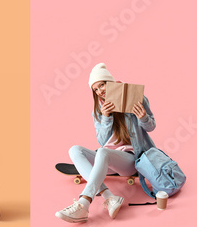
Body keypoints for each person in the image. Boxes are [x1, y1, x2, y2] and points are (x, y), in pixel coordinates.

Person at [55, 63, 156, 223]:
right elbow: (102, 141)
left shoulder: (136, 98)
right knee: (75, 150)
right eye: (95, 89)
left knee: (102, 152)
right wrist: (106, 117)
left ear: (111, 82)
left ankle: (83, 203)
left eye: (102, 84)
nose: (100, 90)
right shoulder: (99, 111)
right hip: (106, 160)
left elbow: (151, 127)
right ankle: (110, 197)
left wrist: (143, 117)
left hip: (130, 159)